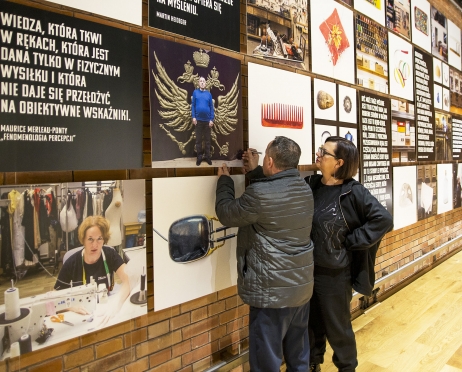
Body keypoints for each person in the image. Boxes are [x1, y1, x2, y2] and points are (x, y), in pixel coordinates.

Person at [216, 136, 314, 372]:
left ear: (269, 161)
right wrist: (257, 170)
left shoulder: (258, 194)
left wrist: (224, 182)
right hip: (300, 290)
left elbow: (227, 213)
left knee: (265, 363)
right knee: (298, 358)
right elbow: (276, 192)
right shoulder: (305, 189)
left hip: (271, 295)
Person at [305, 137, 393, 372]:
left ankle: (347, 367)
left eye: (324, 152)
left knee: (338, 326)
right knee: (311, 323)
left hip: (335, 273)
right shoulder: (312, 184)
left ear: (339, 162)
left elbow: (383, 219)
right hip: (308, 270)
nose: (319, 154)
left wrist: (353, 241)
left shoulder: (353, 191)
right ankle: (314, 363)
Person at [54, 216, 130, 325]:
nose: (95, 245)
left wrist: (116, 304)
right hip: (82, 314)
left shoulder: (110, 254)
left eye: (99, 238)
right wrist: (71, 307)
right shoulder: (72, 263)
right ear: (83, 239)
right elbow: (55, 296)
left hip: (105, 309)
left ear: (104, 239)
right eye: (90, 239)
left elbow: (128, 279)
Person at [191, 76, 214, 166]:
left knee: (208, 141)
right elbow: (193, 105)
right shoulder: (195, 92)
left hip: (207, 121)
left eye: (203, 81)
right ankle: (199, 157)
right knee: (198, 141)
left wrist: (211, 119)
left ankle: (208, 157)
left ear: (206, 83)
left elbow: (211, 107)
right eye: (200, 81)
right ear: (198, 83)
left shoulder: (209, 94)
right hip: (198, 121)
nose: (202, 82)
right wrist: (193, 117)